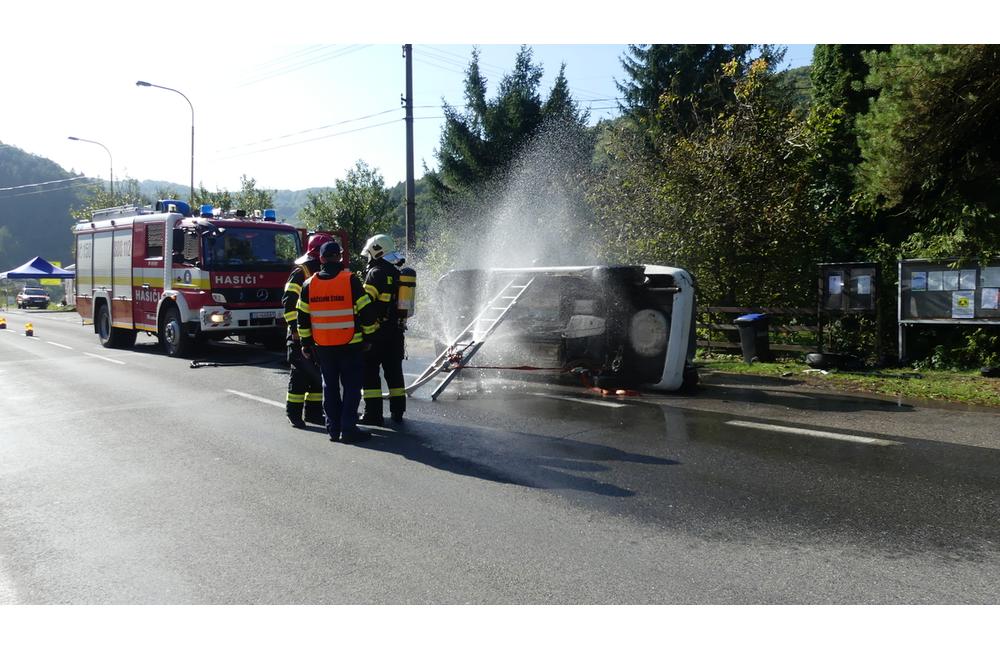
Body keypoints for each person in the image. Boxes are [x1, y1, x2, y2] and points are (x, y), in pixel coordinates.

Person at [297, 240, 378, 443]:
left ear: (321, 259)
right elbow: (366, 311)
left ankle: (333, 430)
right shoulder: (350, 280)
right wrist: (369, 337)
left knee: (329, 388)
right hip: (351, 344)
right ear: (339, 257)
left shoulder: (309, 284)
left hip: (323, 346)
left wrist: (305, 344)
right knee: (351, 388)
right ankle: (349, 429)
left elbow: (302, 317)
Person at [281, 233, 332, 428]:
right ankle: (293, 413)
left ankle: (313, 413)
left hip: (319, 334)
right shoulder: (301, 272)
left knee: (317, 376)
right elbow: (288, 303)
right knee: (300, 375)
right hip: (299, 334)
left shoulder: (325, 272)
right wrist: (295, 329)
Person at [359, 233, 408, 426]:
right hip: (396, 333)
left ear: (376, 251)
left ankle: (373, 414)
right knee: (394, 372)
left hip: (377, 333)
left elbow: (365, 304)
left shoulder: (375, 273)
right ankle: (398, 412)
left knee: (370, 373)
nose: (368, 258)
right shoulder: (398, 273)